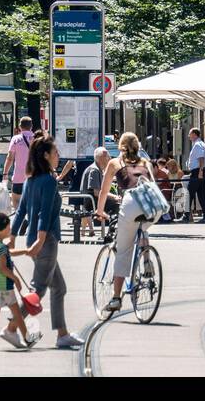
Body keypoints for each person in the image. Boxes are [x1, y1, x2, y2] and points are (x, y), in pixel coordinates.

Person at [12, 133, 82, 349]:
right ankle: (12, 327)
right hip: (46, 240)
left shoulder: (30, 181)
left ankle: (62, 334)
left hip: (34, 238)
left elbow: (20, 211)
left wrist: (12, 237)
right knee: (40, 288)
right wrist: (41, 240)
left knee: (59, 288)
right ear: (45, 155)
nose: (58, 155)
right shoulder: (49, 181)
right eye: (55, 152)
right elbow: (43, 213)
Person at [95, 132, 156, 317]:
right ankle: (146, 259)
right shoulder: (145, 163)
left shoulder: (115, 163)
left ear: (120, 146)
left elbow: (104, 191)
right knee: (142, 226)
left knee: (123, 251)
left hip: (130, 202)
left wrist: (99, 211)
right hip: (152, 205)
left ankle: (116, 298)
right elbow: (153, 186)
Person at [0, 211, 35, 351]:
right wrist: (15, 279)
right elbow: (3, 268)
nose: (10, 230)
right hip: (4, 286)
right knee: (18, 314)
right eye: (8, 228)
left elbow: (7, 253)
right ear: (0, 230)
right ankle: (27, 338)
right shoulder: (2, 248)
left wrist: (24, 251)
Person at [1, 116, 34, 211]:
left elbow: (10, 158)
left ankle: (20, 220)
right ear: (31, 126)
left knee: (16, 202)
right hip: (34, 177)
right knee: (32, 204)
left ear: (20, 126)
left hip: (18, 178)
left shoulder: (15, 139)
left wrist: (5, 173)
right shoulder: (37, 139)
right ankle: (31, 221)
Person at [185, 128, 205, 224]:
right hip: (199, 171)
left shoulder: (198, 145)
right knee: (201, 195)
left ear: (195, 134)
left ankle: (186, 215)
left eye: (190, 134)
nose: (189, 136)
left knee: (189, 193)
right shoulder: (200, 144)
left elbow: (201, 158)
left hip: (197, 172)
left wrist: (200, 171)